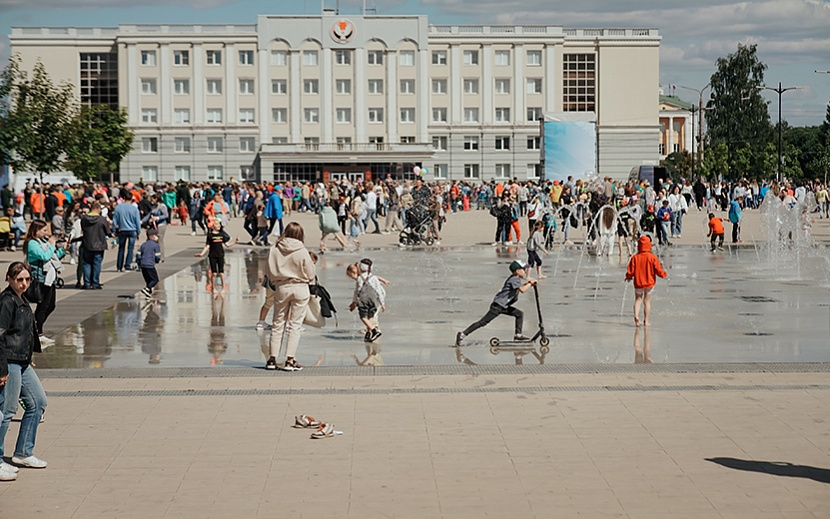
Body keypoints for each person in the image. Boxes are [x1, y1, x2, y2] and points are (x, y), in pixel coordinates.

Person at [0, 262, 49, 481]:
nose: (24, 284)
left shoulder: (22, 299)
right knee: (6, 412)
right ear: (9, 279)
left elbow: (25, 332)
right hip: (8, 362)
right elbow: (0, 337)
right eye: (19, 279)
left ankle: (23, 452)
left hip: (22, 361)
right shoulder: (6, 302)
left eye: (27, 279)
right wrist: (2, 369)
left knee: (38, 402)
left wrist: (28, 356)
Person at [264, 222, 315, 371]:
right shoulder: (302, 250)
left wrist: (276, 279)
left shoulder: (275, 249)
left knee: (277, 322)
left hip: (281, 287)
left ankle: (272, 359)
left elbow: (268, 270)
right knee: (295, 325)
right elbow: (311, 273)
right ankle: (290, 360)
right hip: (300, 287)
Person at [455, 260, 537, 347]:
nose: (525, 271)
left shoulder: (515, 279)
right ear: (517, 271)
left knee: (519, 314)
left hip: (503, 306)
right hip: (498, 306)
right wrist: (531, 283)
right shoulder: (515, 279)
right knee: (483, 322)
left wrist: (528, 284)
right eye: (523, 269)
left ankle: (518, 335)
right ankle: (462, 334)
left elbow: (520, 288)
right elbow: (522, 290)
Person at [23, 219, 67, 345]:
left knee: (51, 305)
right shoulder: (32, 243)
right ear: (36, 231)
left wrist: (62, 250)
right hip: (40, 278)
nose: (47, 232)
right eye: (44, 230)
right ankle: (38, 332)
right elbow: (44, 256)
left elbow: (52, 257)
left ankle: (35, 329)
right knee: (43, 306)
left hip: (49, 278)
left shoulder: (43, 242)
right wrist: (52, 244)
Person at [625, 236, 667, 327]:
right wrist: (663, 274)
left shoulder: (635, 258)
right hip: (649, 283)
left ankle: (636, 316)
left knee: (638, 300)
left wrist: (628, 277)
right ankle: (646, 321)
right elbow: (658, 270)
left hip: (638, 282)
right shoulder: (652, 257)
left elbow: (630, 270)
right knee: (647, 301)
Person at [347, 259, 390, 343]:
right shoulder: (372, 277)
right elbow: (378, 289)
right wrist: (383, 303)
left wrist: (354, 302)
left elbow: (357, 292)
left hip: (366, 300)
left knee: (364, 317)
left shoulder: (360, 278)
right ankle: (369, 331)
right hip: (374, 299)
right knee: (370, 316)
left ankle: (374, 330)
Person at [195, 219, 239, 293]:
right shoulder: (210, 235)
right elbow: (207, 246)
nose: (218, 225)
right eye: (216, 224)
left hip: (220, 255)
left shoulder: (221, 235)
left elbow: (227, 245)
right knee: (214, 273)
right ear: (212, 226)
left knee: (221, 272)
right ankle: (213, 287)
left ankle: (223, 288)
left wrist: (235, 241)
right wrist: (202, 253)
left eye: (219, 224)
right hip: (212, 255)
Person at [80, 201, 111, 290]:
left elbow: (83, 229)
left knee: (87, 264)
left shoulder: (84, 219)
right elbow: (108, 232)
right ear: (97, 208)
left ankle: (87, 283)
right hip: (99, 244)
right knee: (97, 264)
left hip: (87, 243)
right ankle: (95, 282)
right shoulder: (102, 219)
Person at [112, 190, 141, 271]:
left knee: (121, 248)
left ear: (123, 198)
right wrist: (138, 232)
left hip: (122, 229)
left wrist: (114, 230)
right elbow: (137, 222)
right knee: (130, 248)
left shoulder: (118, 208)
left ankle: (119, 266)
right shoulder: (134, 209)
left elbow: (114, 220)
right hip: (132, 230)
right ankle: (127, 265)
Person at [137, 228, 161, 298]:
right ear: (153, 236)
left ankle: (148, 292)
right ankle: (147, 289)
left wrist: (139, 263)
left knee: (148, 280)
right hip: (150, 265)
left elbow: (138, 255)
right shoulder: (156, 245)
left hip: (143, 265)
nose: (158, 238)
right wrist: (156, 261)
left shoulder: (143, 245)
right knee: (155, 279)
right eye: (157, 236)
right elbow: (157, 256)